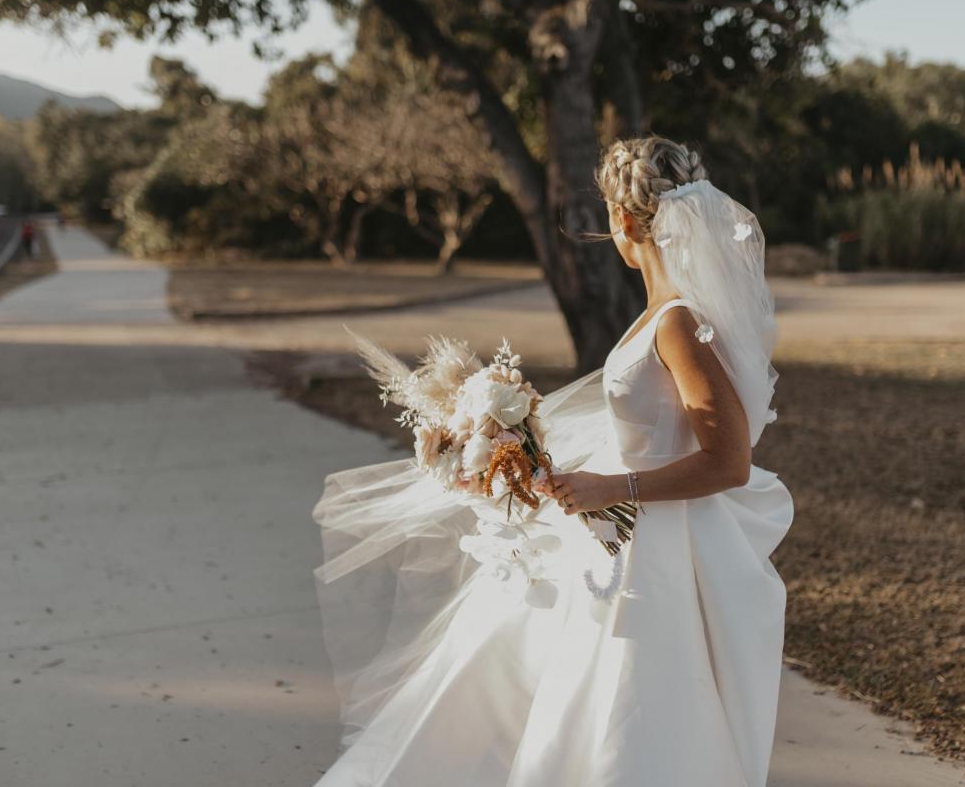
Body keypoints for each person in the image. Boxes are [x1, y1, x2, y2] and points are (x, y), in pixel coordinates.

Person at [310, 135, 794, 786]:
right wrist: (523, 456)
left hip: (659, 548)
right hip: (623, 532)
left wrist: (611, 486)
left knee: (636, 705)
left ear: (623, 221)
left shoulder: (678, 322)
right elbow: (649, 431)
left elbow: (728, 462)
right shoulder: (660, 315)